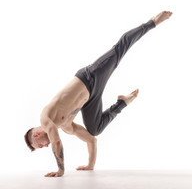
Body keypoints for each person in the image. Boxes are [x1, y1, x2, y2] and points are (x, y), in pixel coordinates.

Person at [24, 11, 172, 177]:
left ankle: (152, 22)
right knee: (95, 130)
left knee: (119, 49)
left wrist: (60, 170)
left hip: (90, 77)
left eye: (40, 145)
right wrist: (90, 165)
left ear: (36, 135)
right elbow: (91, 140)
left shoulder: (45, 117)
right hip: (90, 100)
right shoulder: (66, 127)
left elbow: (56, 142)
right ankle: (122, 102)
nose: (45, 146)